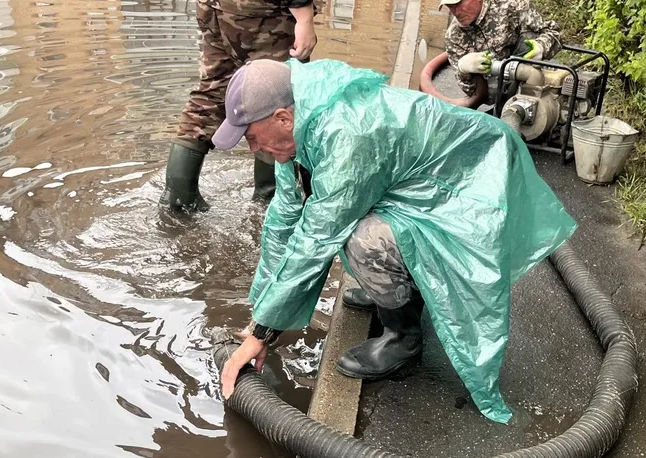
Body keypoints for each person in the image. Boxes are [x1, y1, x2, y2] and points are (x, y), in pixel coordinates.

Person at [212, 58, 577, 424]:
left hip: (472, 188)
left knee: (361, 239)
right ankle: (395, 288)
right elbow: (284, 218)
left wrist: (263, 335)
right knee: (344, 222)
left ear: (281, 118)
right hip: (424, 187)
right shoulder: (302, 123)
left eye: (252, 137)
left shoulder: (346, 133)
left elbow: (316, 237)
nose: (253, 148)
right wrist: (258, 315)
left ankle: (403, 339)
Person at [160, 0, 317, 211]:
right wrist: (304, 15)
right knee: (276, 94)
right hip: (261, 10)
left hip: (213, 6)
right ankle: (270, 202)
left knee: (211, 93)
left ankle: (178, 196)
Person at [440, 0, 561, 109]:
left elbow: (554, 32)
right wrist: (463, 70)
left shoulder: (511, 5)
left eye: (458, 4)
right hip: (493, 95)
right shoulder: (454, 36)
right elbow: (471, 92)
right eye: (450, 6)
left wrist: (541, 46)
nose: (456, 12)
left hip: (530, 83)